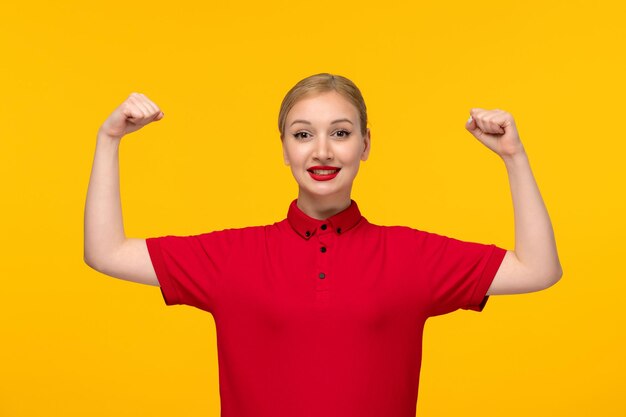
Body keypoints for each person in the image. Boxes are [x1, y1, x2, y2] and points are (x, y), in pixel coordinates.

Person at [84, 73, 562, 417]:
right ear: (284, 148)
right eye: (303, 135)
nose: (322, 151)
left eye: (340, 133)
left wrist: (513, 157)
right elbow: (105, 252)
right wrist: (109, 140)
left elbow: (538, 270)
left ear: (365, 144)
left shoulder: (411, 256)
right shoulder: (232, 257)